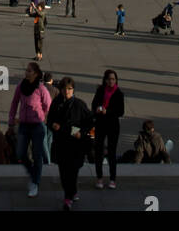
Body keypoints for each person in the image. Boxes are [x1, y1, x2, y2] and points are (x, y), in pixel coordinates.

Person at [47, 76, 93, 211]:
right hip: (61, 143)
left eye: (69, 89)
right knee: (63, 172)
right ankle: (70, 193)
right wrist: (52, 125)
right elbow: (49, 119)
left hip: (75, 144)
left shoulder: (79, 104)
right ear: (60, 90)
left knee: (72, 171)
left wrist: (82, 132)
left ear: (73, 90)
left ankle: (69, 196)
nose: (67, 92)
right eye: (64, 89)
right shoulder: (56, 102)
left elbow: (90, 121)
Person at [8, 61, 52, 198]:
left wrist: (42, 116)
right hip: (23, 125)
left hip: (37, 126)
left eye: (29, 71)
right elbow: (14, 102)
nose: (26, 73)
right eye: (26, 70)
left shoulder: (41, 88)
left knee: (37, 155)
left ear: (36, 74)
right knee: (20, 153)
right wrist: (11, 119)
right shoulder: (21, 86)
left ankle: (35, 183)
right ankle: (33, 174)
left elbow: (48, 105)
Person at [91, 69, 124, 189]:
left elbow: (120, 111)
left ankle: (112, 179)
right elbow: (93, 104)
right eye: (109, 79)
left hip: (113, 125)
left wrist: (107, 111)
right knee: (98, 152)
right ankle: (99, 178)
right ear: (105, 80)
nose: (111, 81)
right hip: (100, 124)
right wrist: (97, 109)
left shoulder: (119, 93)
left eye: (113, 79)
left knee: (111, 152)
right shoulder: (100, 90)